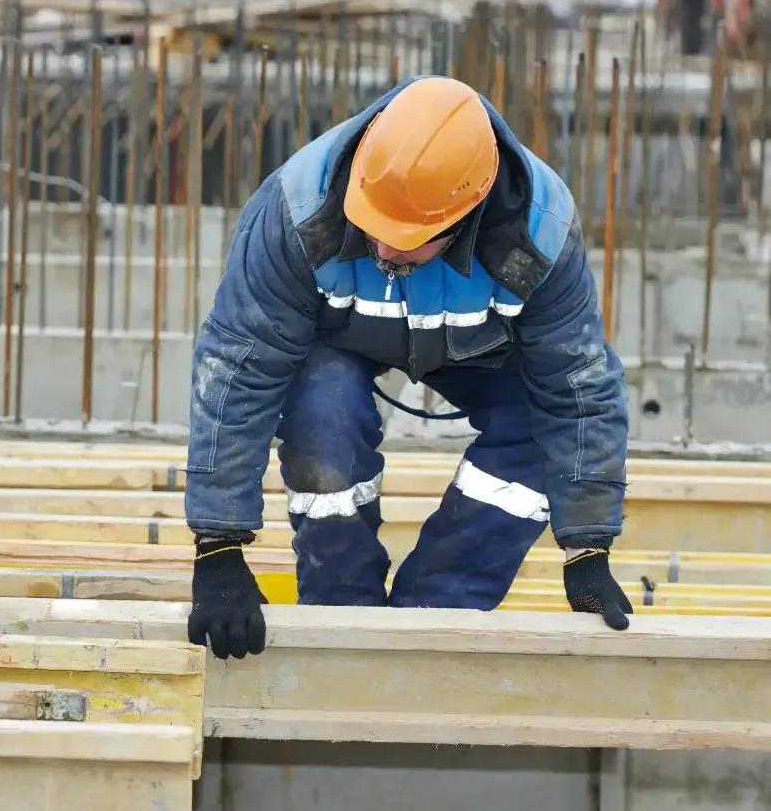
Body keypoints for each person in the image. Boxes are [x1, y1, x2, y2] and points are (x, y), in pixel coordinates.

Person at [186, 76, 631, 660]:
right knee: (323, 411)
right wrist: (218, 546)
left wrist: (587, 547)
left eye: (408, 238)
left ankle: (435, 614)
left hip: (481, 348)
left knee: (534, 432)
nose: (385, 249)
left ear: (466, 212)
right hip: (338, 340)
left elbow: (578, 390)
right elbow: (236, 370)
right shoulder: (299, 212)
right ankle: (341, 613)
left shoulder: (538, 236)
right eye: (375, 225)